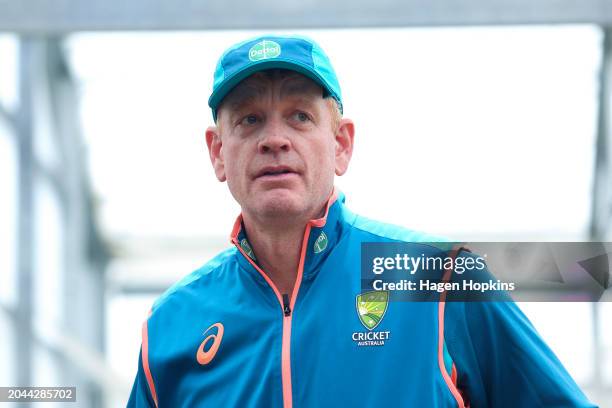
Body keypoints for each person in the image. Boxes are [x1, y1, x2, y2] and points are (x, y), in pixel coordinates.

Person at [127, 34, 596, 407]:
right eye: (249, 120)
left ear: (342, 145)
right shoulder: (171, 325)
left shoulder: (440, 276)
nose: (274, 139)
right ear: (217, 152)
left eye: (299, 116)